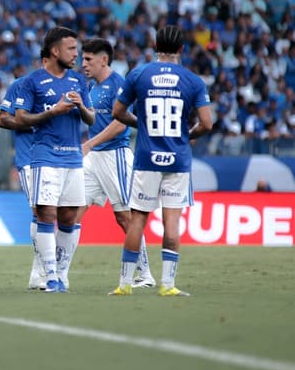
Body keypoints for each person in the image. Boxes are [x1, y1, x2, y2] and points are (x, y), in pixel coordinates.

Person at [109, 25, 213, 297]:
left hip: (146, 158)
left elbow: (117, 111)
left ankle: (124, 284)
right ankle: (168, 285)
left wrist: (140, 124)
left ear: (155, 46)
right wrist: (186, 135)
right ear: (181, 49)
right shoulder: (192, 80)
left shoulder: (139, 74)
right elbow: (207, 123)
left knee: (137, 221)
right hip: (177, 159)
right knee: (172, 222)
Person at [13, 26, 94, 293]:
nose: (76, 54)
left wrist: (81, 106)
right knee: (46, 213)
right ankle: (50, 277)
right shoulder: (32, 81)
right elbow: (21, 117)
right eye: (71, 49)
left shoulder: (78, 81)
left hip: (73, 158)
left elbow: (91, 118)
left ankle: (62, 273)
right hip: (45, 157)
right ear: (54, 50)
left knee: (70, 218)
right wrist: (54, 111)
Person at [79, 38, 155, 288]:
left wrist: (90, 144)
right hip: (93, 159)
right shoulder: (91, 87)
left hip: (115, 156)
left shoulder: (118, 84)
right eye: (82, 58)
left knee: (125, 217)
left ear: (104, 59)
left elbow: (120, 123)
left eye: (88, 59)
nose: (84, 63)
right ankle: (56, 273)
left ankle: (145, 275)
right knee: (72, 212)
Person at [0, 68, 45, 289]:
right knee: (39, 211)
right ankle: (39, 272)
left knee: (57, 214)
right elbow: (2, 119)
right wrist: (33, 121)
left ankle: (47, 270)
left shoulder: (67, 86)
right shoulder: (20, 85)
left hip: (59, 158)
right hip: (29, 159)